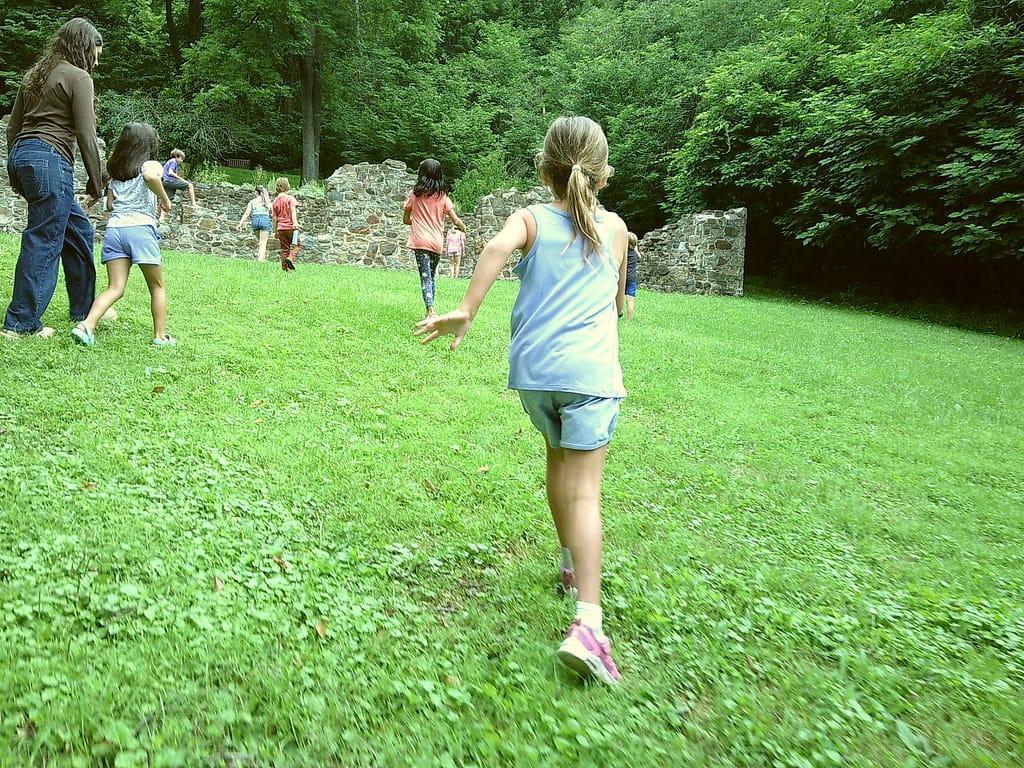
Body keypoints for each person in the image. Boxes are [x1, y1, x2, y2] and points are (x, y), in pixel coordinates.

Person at [415, 116, 628, 685]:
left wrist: (467, 309)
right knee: (585, 490)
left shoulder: (531, 217)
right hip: (589, 376)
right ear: (603, 174)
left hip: (536, 377)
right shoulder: (614, 228)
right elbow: (615, 300)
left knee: (557, 462)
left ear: (543, 170)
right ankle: (589, 626)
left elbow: (494, 246)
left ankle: (569, 562)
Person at [1, 17, 107, 340]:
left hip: (23, 156)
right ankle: (20, 323)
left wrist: (18, 170)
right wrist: (98, 183)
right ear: (83, 48)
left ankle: (85, 308)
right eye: (94, 55)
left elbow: (12, 129)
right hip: (50, 160)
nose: (95, 63)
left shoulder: (34, 75)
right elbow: (86, 135)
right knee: (44, 239)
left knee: (78, 229)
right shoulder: (79, 77)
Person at [71, 123, 175, 347]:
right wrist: (165, 200)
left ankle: (86, 325)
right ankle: (160, 337)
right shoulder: (150, 165)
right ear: (148, 145)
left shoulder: (116, 173)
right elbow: (150, 176)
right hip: (140, 229)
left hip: (115, 230)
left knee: (115, 288)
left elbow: (110, 205)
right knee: (157, 286)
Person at [403, 159, 467, 319]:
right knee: (431, 276)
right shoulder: (443, 196)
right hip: (436, 243)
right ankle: (430, 310)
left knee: (425, 276)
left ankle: (430, 310)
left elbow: (406, 219)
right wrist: (463, 227)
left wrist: (418, 221)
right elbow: (455, 220)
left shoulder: (414, 195)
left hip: (420, 241)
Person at [236, 186, 273, 261]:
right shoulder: (267, 201)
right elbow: (272, 212)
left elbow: (247, 213)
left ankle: (262, 259)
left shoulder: (252, 202)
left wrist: (240, 224)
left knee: (260, 241)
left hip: (255, 221)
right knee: (263, 243)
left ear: (256, 192)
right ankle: (260, 260)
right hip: (264, 220)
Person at [271, 177, 300, 271]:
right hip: (290, 227)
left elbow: (274, 218)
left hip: (280, 228)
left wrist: (275, 231)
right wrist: (295, 222)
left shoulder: (275, 201)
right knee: (298, 245)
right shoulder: (290, 198)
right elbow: (292, 210)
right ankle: (291, 258)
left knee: (284, 249)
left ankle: (285, 270)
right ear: (287, 186)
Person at [159, 149, 197, 216]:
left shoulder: (170, 161)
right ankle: (194, 204)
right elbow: (171, 173)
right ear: (176, 156)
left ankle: (161, 218)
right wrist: (182, 180)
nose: (181, 161)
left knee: (167, 201)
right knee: (190, 186)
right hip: (170, 181)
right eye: (181, 159)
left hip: (165, 182)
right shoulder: (173, 162)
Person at [625, 231, 640, 321]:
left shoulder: (624, 252)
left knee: (616, 297)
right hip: (632, 279)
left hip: (623, 278)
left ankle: (617, 313)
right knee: (630, 300)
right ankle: (629, 319)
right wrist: (636, 248)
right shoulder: (635, 254)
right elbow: (639, 257)